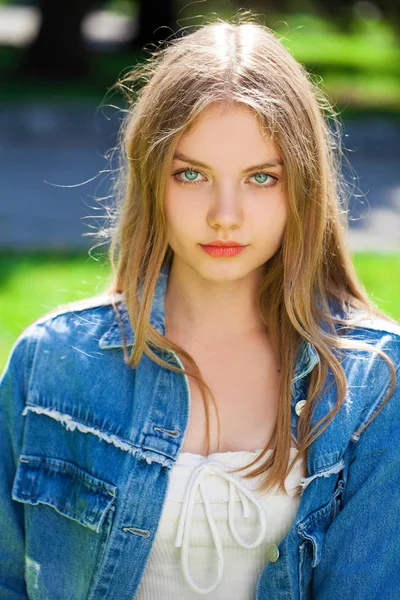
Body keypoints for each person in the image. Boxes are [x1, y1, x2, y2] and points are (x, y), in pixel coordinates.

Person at [1, 15, 399, 600]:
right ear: (150, 178)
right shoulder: (54, 363)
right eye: (191, 174)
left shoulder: (371, 385)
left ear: (304, 189)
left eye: (262, 178)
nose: (225, 214)